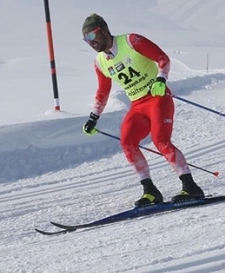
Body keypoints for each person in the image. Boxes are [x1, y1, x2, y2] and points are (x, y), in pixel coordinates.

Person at [81, 13, 204, 207]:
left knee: (160, 141)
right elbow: (103, 91)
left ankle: (190, 186)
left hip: (157, 98)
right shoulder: (100, 62)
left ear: (103, 30)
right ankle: (150, 191)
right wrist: (93, 118)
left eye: (90, 36)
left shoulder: (131, 41)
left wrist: (161, 79)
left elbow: (162, 59)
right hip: (137, 106)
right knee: (127, 141)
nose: (89, 42)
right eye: (85, 38)